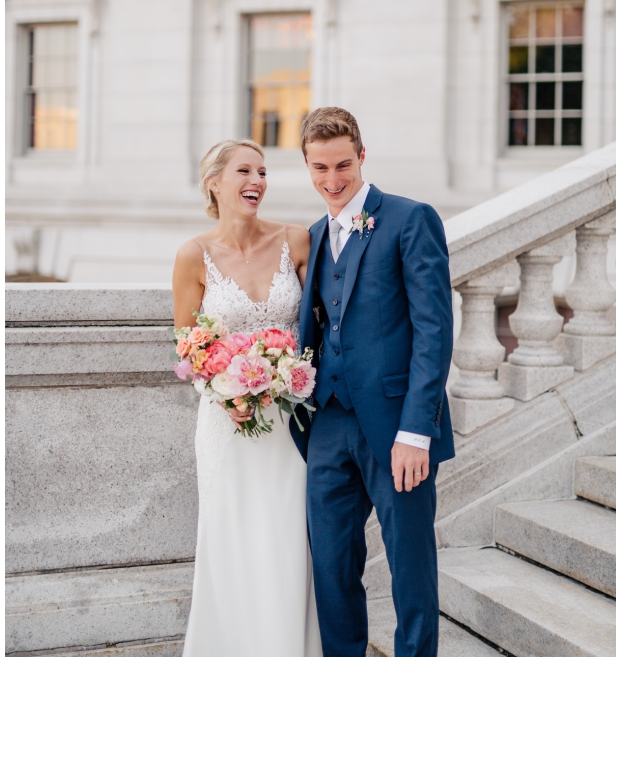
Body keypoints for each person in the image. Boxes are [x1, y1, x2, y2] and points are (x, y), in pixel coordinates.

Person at [293, 107, 456, 656]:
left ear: (362, 157)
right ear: (307, 166)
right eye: (320, 168)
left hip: (395, 430)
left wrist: (417, 431)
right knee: (331, 567)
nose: (333, 181)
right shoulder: (315, 235)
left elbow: (434, 329)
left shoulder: (410, 219)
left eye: (343, 165)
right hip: (328, 425)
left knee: (410, 567)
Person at [174, 139, 320, 656]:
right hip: (226, 424)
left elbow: (322, 328)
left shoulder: (297, 241)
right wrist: (224, 387)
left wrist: (288, 377)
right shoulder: (193, 256)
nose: (257, 180)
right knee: (231, 541)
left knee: (284, 540)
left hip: (288, 424)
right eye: (244, 170)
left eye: (262, 171)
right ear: (214, 182)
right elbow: (189, 347)